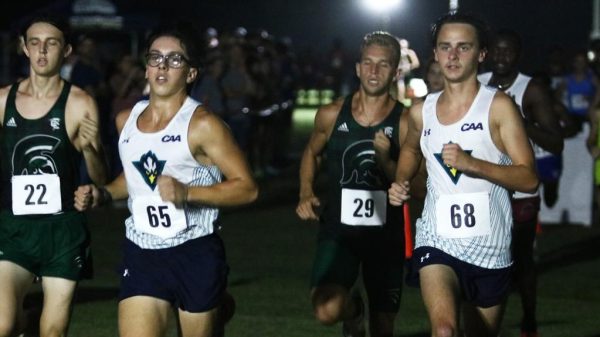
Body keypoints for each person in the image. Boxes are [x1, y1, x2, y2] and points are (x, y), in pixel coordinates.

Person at [73, 22, 258, 337]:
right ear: (145, 68)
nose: (162, 66)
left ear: (190, 74)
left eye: (175, 60)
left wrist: (188, 193)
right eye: (155, 58)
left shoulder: (204, 125)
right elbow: (135, 182)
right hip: (142, 250)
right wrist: (103, 194)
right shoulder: (125, 120)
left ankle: (216, 304)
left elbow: (247, 189)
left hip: (194, 250)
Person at [388, 12, 539, 337]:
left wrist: (474, 165)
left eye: (463, 47)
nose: (452, 56)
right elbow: (412, 150)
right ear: (435, 53)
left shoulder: (498, 107)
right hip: (437, 239)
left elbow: (529, 178)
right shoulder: (421, 111)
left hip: (491, 247)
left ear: (481, 54)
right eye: (445, 47)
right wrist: (400, 180)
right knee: (444, 330)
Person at [0, 14, 108, 337]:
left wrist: (92, 151)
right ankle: (22, 322)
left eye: (52, 43)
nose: (42, 51)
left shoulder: (79, 103)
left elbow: (100, 179)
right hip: (14, 227)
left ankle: (33, 324)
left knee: (52, 332)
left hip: (62, 230)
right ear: (23, 48)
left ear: (67, 50)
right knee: (3, 325)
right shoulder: (3, 100)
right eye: (35, 42)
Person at [296, 31, 407, 337]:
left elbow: (413, 180)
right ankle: (354, 310)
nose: (373, 71)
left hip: (386, 236)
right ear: (357, 68)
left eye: (383, 65)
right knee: (326, 309)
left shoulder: (407, 121)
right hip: (339, 232)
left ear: (396, 72)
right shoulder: (331, 114)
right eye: (368, 63)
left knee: (383, 328)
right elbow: (311, 152)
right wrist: (306, 191)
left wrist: (387, 162)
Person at [478, 29, 564, 337]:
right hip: (483, 187)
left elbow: (557, 143)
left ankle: (529, 320)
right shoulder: (477, 83)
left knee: (522, 257)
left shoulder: (532, 90)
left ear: (518, 55)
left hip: (519, 190)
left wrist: (519, 121)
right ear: (486, 53)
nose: (501, 57)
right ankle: (481, 323)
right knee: (482, 258)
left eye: (508, 51)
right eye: (496, 51)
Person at [395, 38, 420, 104]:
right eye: (401, 46)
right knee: (399, 82)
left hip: (410, 74)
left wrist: (408, 67)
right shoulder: (396, 53)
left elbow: (416, 63)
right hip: (399, 74)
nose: (403, 48)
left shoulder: (410, 52)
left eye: (404, 46)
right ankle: (400, 100)